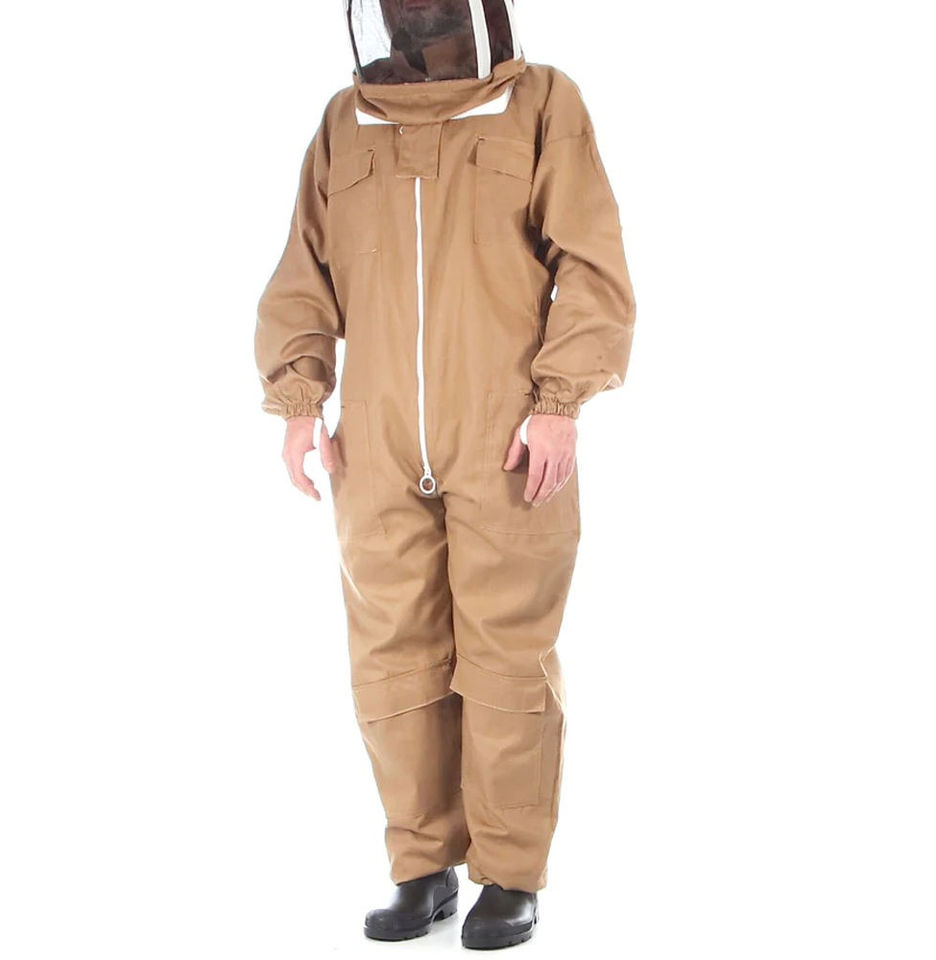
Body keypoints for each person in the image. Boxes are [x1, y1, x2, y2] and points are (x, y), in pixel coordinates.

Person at [255, 0, 635, 949]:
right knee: (393, 656)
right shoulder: (346, 123)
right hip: (376, 439)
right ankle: (421, 865)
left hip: (505, 431)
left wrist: (560, 402)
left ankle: (511, 874)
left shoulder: (540, 102)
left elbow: (591, 263)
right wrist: (300, 400)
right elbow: (305, 270)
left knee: (506, 657)